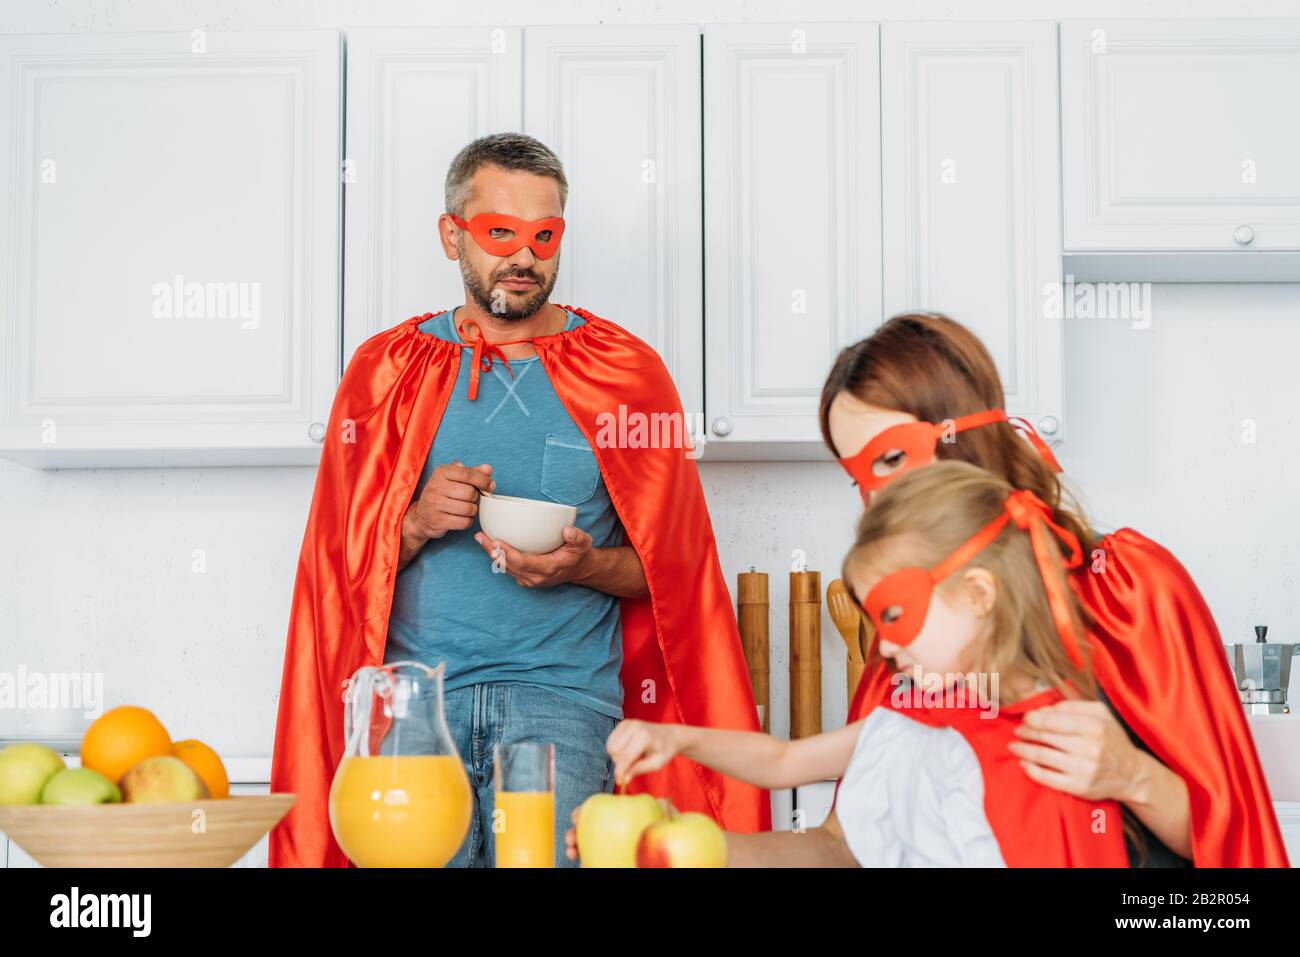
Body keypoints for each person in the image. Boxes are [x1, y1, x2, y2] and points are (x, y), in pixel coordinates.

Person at [269, 133, 767, 868]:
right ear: (452, 235)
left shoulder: (627, 375)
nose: (524, 257)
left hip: (560, 709)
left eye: (544, 235)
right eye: (499, 232)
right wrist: (407, 526)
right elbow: (331, 577)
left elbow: (672, 579)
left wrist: (583, 565)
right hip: (409, 715)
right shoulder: (385, 372)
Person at [715, 312, 1284, 867]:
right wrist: (695, 853)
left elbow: (1234, 839)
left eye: (891, 457)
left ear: (965, 428)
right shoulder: (911, 631)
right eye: (858, 476)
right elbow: (846, 847)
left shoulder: (1129, 585)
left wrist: (1131, 776)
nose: (878, 497)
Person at [578, 462, 1141, 866]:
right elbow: (783, 761)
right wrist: (677, 742)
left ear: (977, 594)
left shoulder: (1052, 742)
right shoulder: (910, 714)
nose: (887, 649)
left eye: (896, 616)